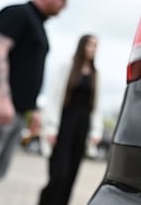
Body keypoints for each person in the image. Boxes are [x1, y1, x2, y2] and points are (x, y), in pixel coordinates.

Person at [0, 0, 70, 193]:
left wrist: (33, 108)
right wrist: (2, 98)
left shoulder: (39, 26)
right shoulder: (16, 14)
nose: (65, 6)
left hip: (17, 111)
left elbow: (28, 71)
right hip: (0, 108)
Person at [38, 34, 103, 205]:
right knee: (60, 174)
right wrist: (51, 127)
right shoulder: (67, 68)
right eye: (90, 45)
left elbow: (96, 106)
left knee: (71, 176)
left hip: (82, 127)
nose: (93, 49)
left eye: (95, 46)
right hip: (65, 125)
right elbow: (54, 98)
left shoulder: (96, 74)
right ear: (82, 46)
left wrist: (96, 131)